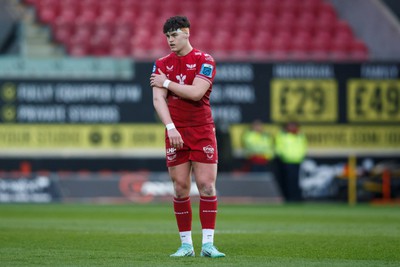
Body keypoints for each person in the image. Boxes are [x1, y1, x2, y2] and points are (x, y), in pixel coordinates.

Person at [150, 15, 225, 258]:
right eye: (167, 36)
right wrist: (170, 127)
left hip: (202, 129)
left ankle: (208, 244)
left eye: (174, 35)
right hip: (176, 130)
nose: (170, 40)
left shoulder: (205, 60)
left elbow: (196, 93)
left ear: (187, 33)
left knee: (206, 185)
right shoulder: (161, 63)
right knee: (181, 187)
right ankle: (186, 245)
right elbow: (157, 98)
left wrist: (168, 83)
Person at [275, 121, 307, 202]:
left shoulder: (300, 136)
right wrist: (284, 155)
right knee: (288, 181)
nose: (292, 128)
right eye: (290, 126)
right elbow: (279, 148)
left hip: (297, 161)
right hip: (286, 161)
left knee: (297, 180)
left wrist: (301, 156)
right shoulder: (282, 136)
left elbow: (303, 147)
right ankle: (288, 197)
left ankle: (296, 197)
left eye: (294, 126)